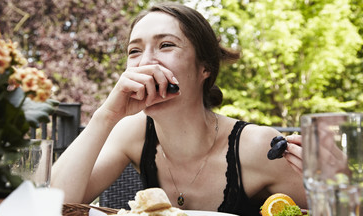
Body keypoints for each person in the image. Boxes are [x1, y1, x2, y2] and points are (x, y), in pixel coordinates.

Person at [51, 2, 307, 215]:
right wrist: (106, 115)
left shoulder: (258, 146)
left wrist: (335, 175)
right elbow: (54, 204)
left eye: (166, 45)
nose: (146, 62)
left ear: (204, 68)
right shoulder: (131, 132)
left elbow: (336, 205)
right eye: (134, 51)